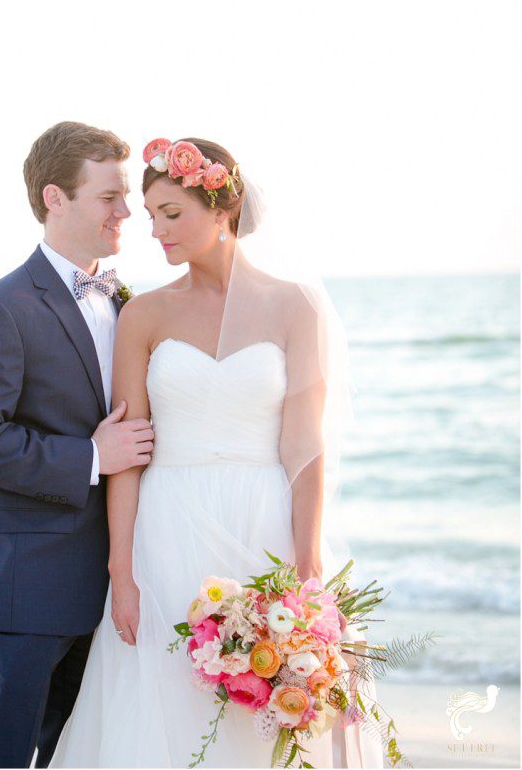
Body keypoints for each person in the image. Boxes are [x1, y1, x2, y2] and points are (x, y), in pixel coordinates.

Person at [49, 136, 384, 768]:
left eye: (171, 214)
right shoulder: (143, 314)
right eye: (151, 216)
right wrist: (122, 570)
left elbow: (305, 446)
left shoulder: (295, 305)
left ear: (223, 210)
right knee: (164, 702)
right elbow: (129, 453)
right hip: (165, 529)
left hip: (264, 522)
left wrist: (308, 563)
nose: (156, 231)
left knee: (265, 703)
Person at [0, 120, 155, 768]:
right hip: (26, 585)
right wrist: (92, 457)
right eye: (110, 196)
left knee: (76, 755)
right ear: (55, 198)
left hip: (117, 582)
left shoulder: (126, 302)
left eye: (127, 197)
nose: (127, 211)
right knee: (0, 755)